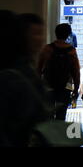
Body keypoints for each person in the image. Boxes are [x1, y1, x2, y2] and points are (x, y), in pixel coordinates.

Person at [0, 11, 52, 146]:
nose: (40, 39)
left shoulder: (27, 68)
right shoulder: (12, 76)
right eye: (35, 33)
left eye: (41, 33)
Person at [38, 23, 80, 121]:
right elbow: (76, 72)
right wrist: (76, 88)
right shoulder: (71, 51)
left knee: (48, 115)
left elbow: (39, 68)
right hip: (65, 87)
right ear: (68, 34)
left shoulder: (47, 49)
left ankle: (48, 135)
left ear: (56, 33)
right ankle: (58, 134)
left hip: (48, 86)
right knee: (61, 115)